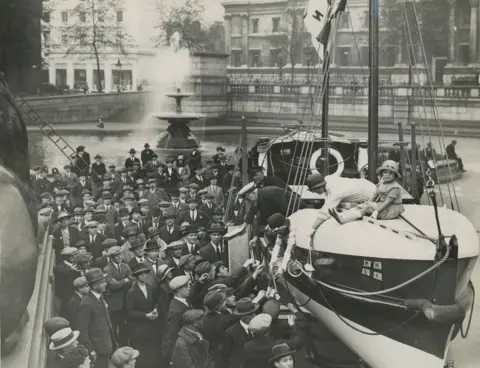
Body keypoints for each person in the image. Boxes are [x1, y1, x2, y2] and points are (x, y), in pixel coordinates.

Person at [330, 160, 405, 224]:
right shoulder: (381, 183)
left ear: (395, 176)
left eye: (391, 173)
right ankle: (342, 215)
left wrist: (376, 211)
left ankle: (345, 219)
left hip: (390, 208)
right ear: (382, 174)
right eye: (385, 172)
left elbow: (387, 202)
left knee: (368, 208)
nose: (387, 175)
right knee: (363, 206)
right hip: (382, 205)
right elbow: (374, 196)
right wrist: (367, 203)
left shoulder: (395, 187)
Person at [305, 173, 376, 237]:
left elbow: (326, 212)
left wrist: (312, 229)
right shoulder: (328, 180)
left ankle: (349, 216)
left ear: (320, 187)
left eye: (313, 190)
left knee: (334, 209)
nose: (314, 192)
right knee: (339, 206)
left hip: (371, 194)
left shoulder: (336, 191)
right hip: (364, 186)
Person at [77, 268, 117, 368]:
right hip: (97, 349)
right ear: (94, 286)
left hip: (107, 343)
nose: (106, 284)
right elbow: (83, 330)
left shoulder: (100, 295)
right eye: (102, 282)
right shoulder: (86, 304)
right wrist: (91, 350)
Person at [125, 263, 161, 368]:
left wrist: (155, 309)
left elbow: (156, 302)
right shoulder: (131, 292)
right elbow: (130, 312)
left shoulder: (151, 288)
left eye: (145, 273)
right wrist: (146, 315)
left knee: (153, 353)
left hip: (152, 327)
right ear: (136, 276)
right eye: (141, 274)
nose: (144, 275)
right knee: (143, 355)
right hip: (140, 329)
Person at [104, 246, 133, 345]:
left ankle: (125, 344)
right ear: (111, 257)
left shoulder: (125, 266)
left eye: (120, 254)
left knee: (125, 324)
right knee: (115, 325)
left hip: (126, 300)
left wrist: (121, 282)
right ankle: (115, 345)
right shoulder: (107, 269)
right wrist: (125, 280)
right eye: (116, 255)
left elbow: (132, 279)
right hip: (115, 303)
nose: (119, 257)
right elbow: (113, 286)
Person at [163, 275, 193, 363]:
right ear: (179, 289)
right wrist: (172, 355)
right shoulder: (176, 310)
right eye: (186, 286)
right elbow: (172, 334)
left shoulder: (184, 301)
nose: (189, 288)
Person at [223, 298, 259, 368]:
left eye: (255, 313)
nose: (254, 316)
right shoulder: (230, 333)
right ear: (242, 316)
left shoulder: (260, 328)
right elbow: (226, 355)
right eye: (251, 314)